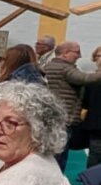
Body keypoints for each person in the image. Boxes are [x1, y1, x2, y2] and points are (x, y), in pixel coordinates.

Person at [42, 40, 101, 170]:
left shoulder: (51, 66)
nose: (79, 56)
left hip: (56, 117)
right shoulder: (65, 68)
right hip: (64, 119)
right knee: (59, 156)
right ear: (65, 53)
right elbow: (84, 79)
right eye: (77, 52)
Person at [83, 45, 101, 168]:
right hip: (96, 125)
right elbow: (85, 102)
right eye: (99, 56)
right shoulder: (90, 79)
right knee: (95, 156)